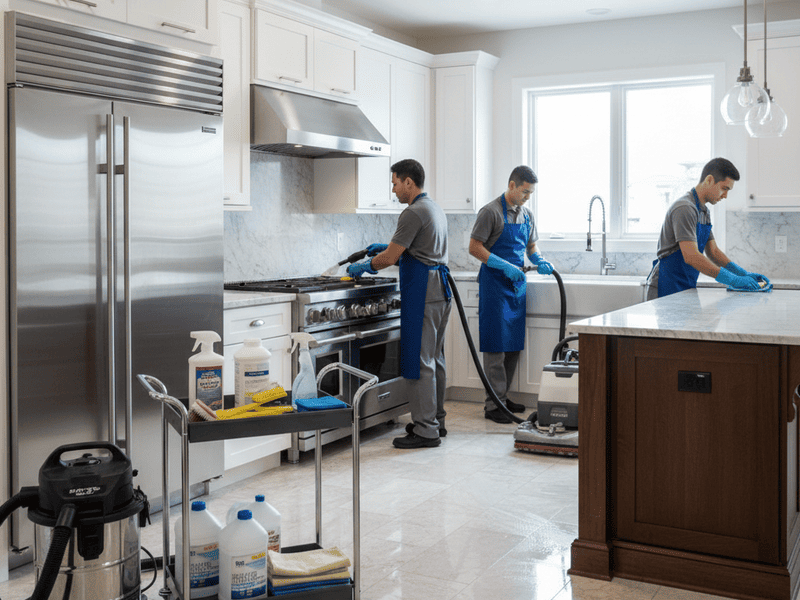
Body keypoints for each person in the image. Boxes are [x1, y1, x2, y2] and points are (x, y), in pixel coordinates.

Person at [347, 159, 451, 449]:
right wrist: (389, 245)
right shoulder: (434, 208)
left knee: (420, 361)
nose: (393, 190)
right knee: (434, 359)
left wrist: (366, 265)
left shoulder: (413, 212)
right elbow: (415, 250)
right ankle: (435, 421)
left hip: (423, 292)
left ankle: (425, 430)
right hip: (440, 291)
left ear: (408, 182)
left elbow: (390, 258)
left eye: (395, 183)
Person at [468, 165, 554, 424]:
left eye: (531, 193)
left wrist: (539, 260)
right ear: (512, 185)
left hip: (516, 287)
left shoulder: (526, 215)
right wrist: (504, 265)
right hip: (494, 285)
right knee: (495, 347)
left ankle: (502, 399)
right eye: (525, 192)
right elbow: (474, 247)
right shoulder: (490, 212)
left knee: (513, 346)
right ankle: (492, 405)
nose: (528, 197)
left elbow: (531, 246)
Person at [645, 157, 769, 301]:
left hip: (685, 286)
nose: (726, 196)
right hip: (666, 286)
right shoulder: (685, 208)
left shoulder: (703, 211)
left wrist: (742, 274)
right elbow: (691, 256)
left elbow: (713, 252)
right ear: (709, 180)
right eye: (724, 188)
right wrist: (733, 280)